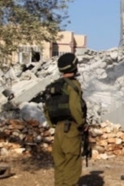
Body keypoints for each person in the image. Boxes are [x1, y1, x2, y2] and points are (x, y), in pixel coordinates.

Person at [43, 53, 87, 186]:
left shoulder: (55, 86)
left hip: (59, 130)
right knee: (71, 165)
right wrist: (82, 123)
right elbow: (74, 106)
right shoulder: (73, 85)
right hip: (71, 129)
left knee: (60, 165)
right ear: (74, 66)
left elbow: (46, 108)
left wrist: (53, 125)